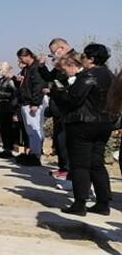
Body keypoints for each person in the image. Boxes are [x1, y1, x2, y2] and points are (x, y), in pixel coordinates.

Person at [51, 44, 115, 215]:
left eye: (85, 56)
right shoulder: (110, 75)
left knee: (80, 164)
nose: (83, 59)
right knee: (97, 163)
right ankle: (103, 203)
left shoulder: (88, 75)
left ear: (92, 59)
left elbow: (73, 99)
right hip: (105, 123)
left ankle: (79, 203)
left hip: (83, 123)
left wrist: (57, 92)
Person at [38, 38, 77, 181]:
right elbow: (51, 76)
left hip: (68, 106)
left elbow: (72, 82)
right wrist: (42, 67)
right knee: (60, 138)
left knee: (66, 139)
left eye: (54, 52)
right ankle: (63, 167)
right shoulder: (61, 61)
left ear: (61, 48)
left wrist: (55, 89)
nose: (53, 55)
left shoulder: (75, 59)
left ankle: (68, 169)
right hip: (59, 106)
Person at [16, 47, 47, 166]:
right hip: (26, 101)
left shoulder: (35, 68)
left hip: (32, 103)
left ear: (27, 55)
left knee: (34, 129)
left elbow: (38, 86)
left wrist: (35, 103)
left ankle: (36, 154)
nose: (21, 61)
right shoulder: (28, 69)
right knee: (30, 129)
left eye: (21, 58)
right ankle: (33, 152)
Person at [0, 61, 20, 158]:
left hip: (7, 107)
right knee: (3, 129)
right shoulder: (2, 80)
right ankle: (6, 148)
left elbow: (14, 94)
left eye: (0, 69)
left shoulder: (10, 81)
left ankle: (8, 149)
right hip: (1, 107)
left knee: (7, 129)